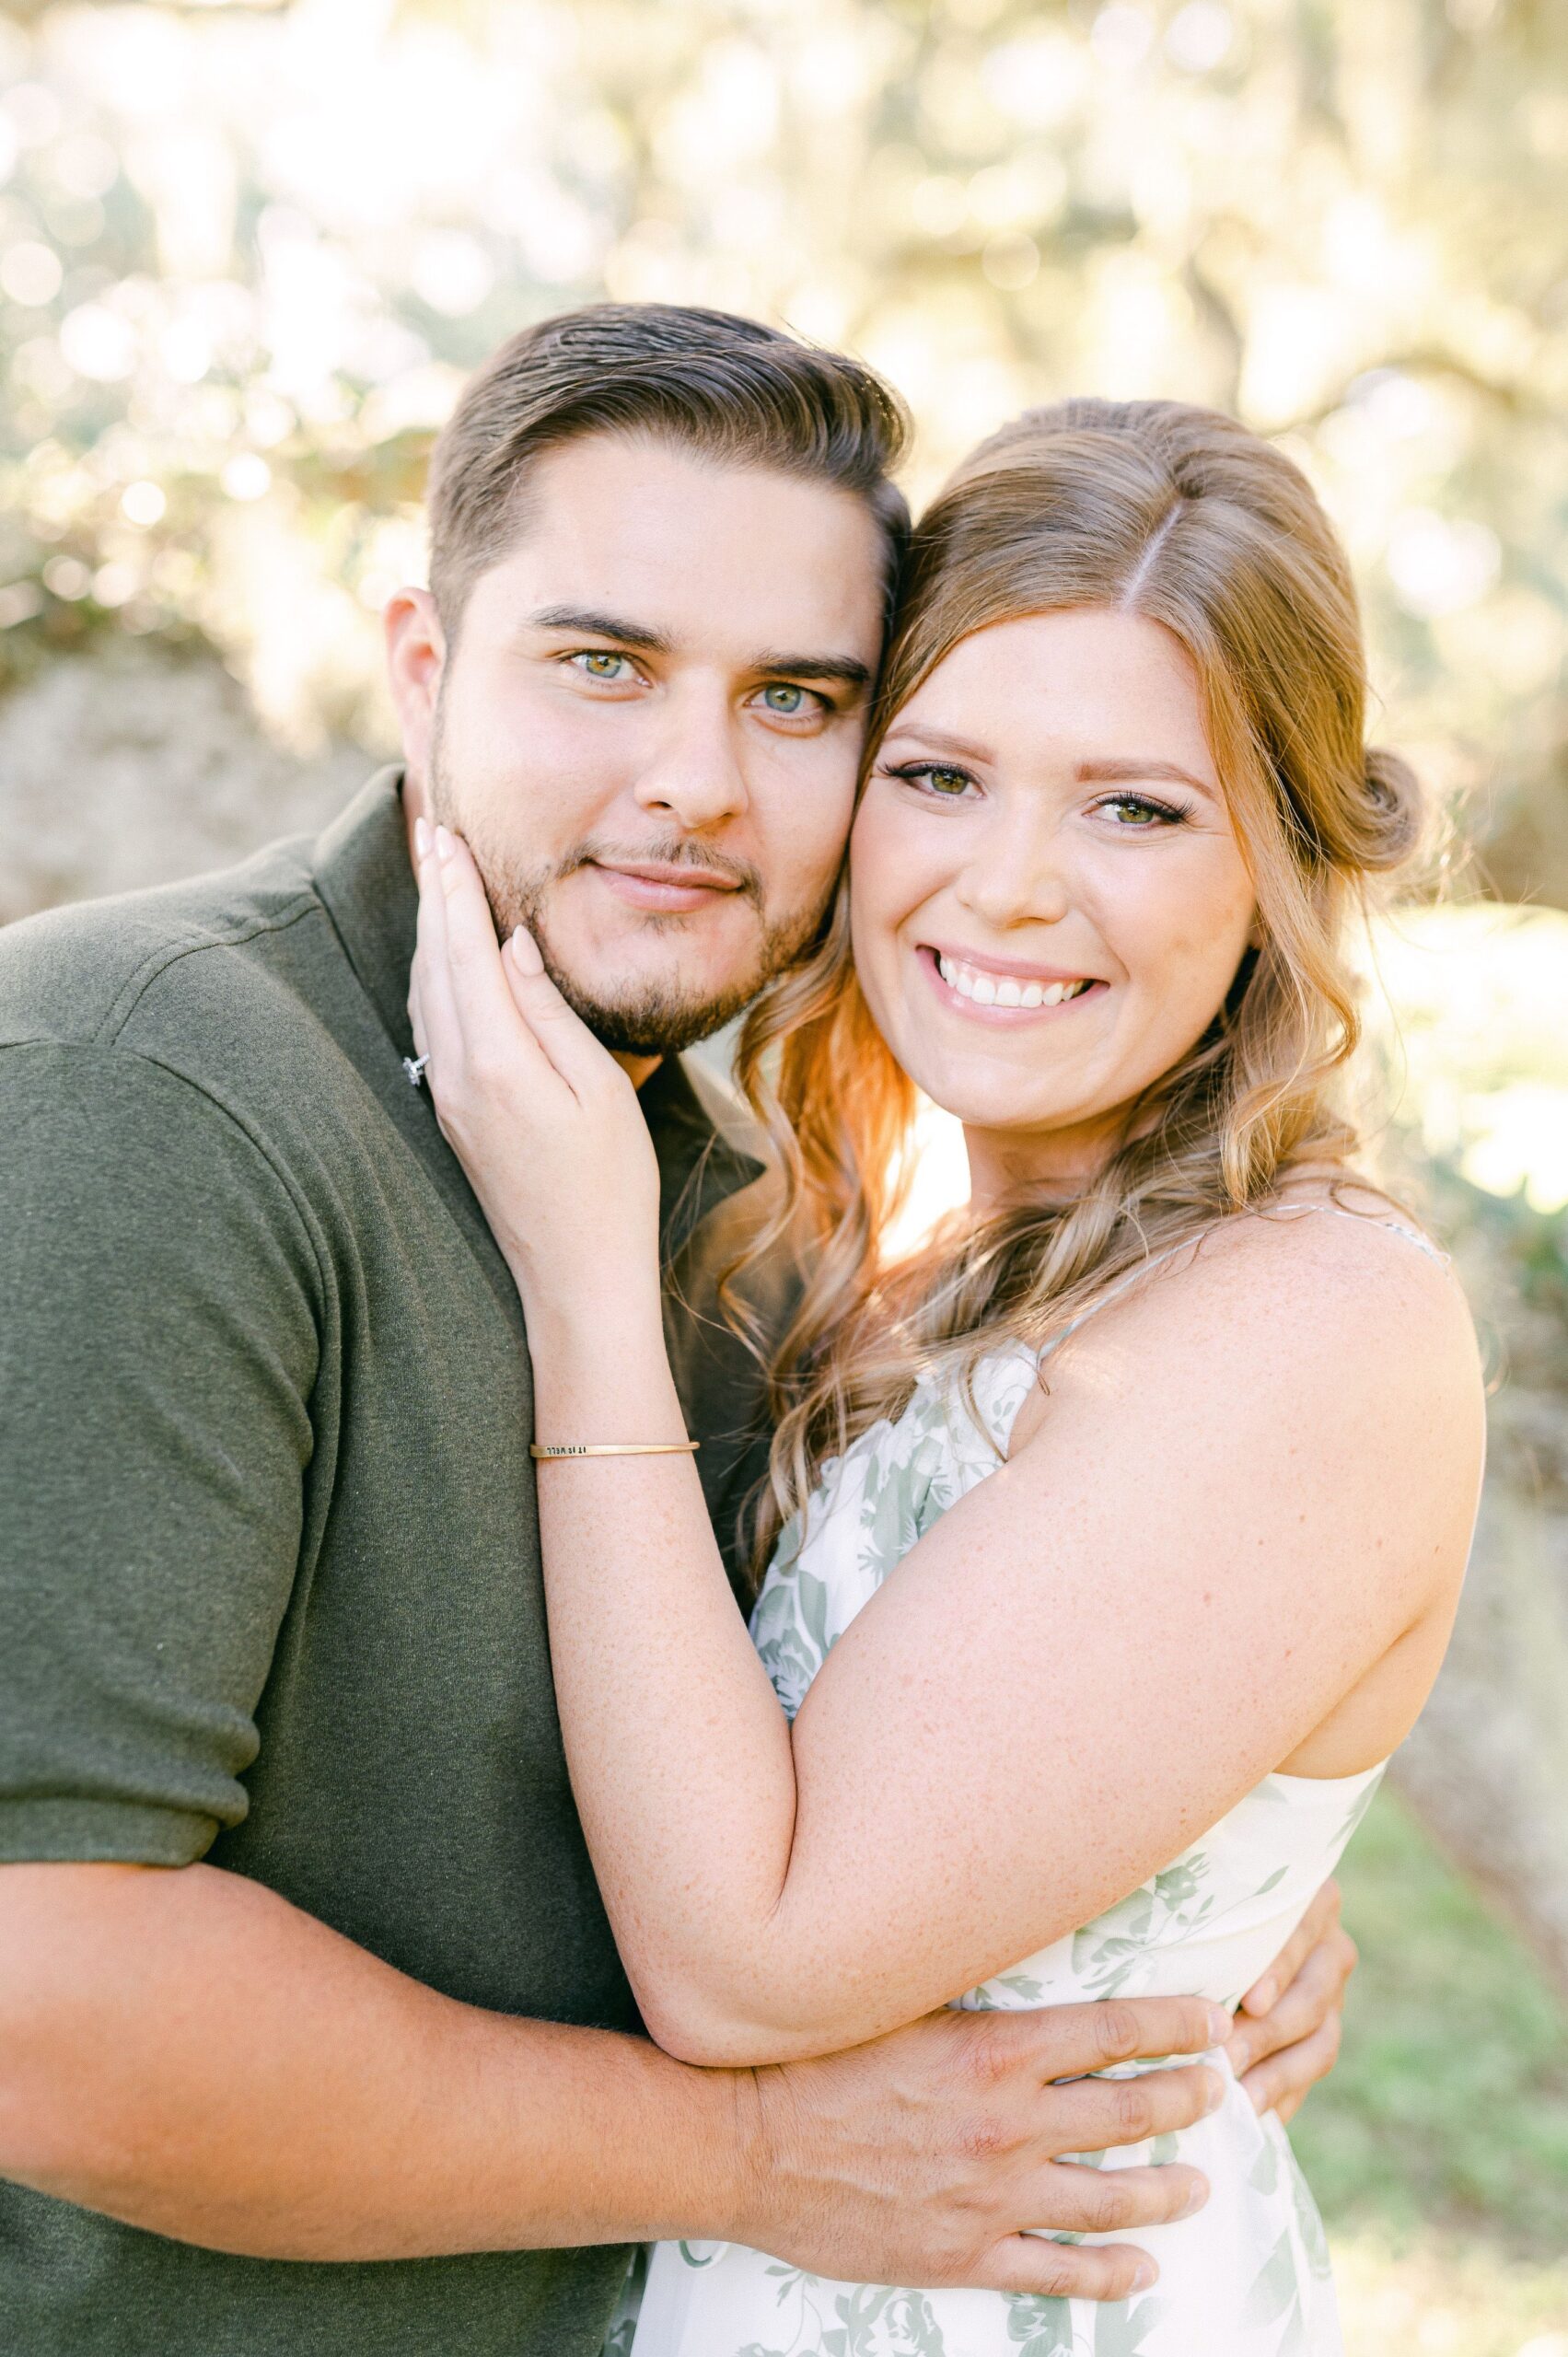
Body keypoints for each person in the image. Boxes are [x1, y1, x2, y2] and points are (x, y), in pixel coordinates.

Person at [0, 310, 1354, 2357]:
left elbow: (837, 1752)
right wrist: (740, 2156)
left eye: (798, 700)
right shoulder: (145, 1085)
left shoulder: (743, 1221)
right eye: (604, 663)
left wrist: (1152, 1863)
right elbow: (40, 1990)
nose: (695, 785)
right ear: (426, 666)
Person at [409, 393, 1484, 2355]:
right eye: (940, 774)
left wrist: (582, 1275)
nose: (1006, 886)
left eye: (1136, 807)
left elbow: (748, 1968)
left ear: (1282, 858)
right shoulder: (901, 1259)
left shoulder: (1315, 1317)